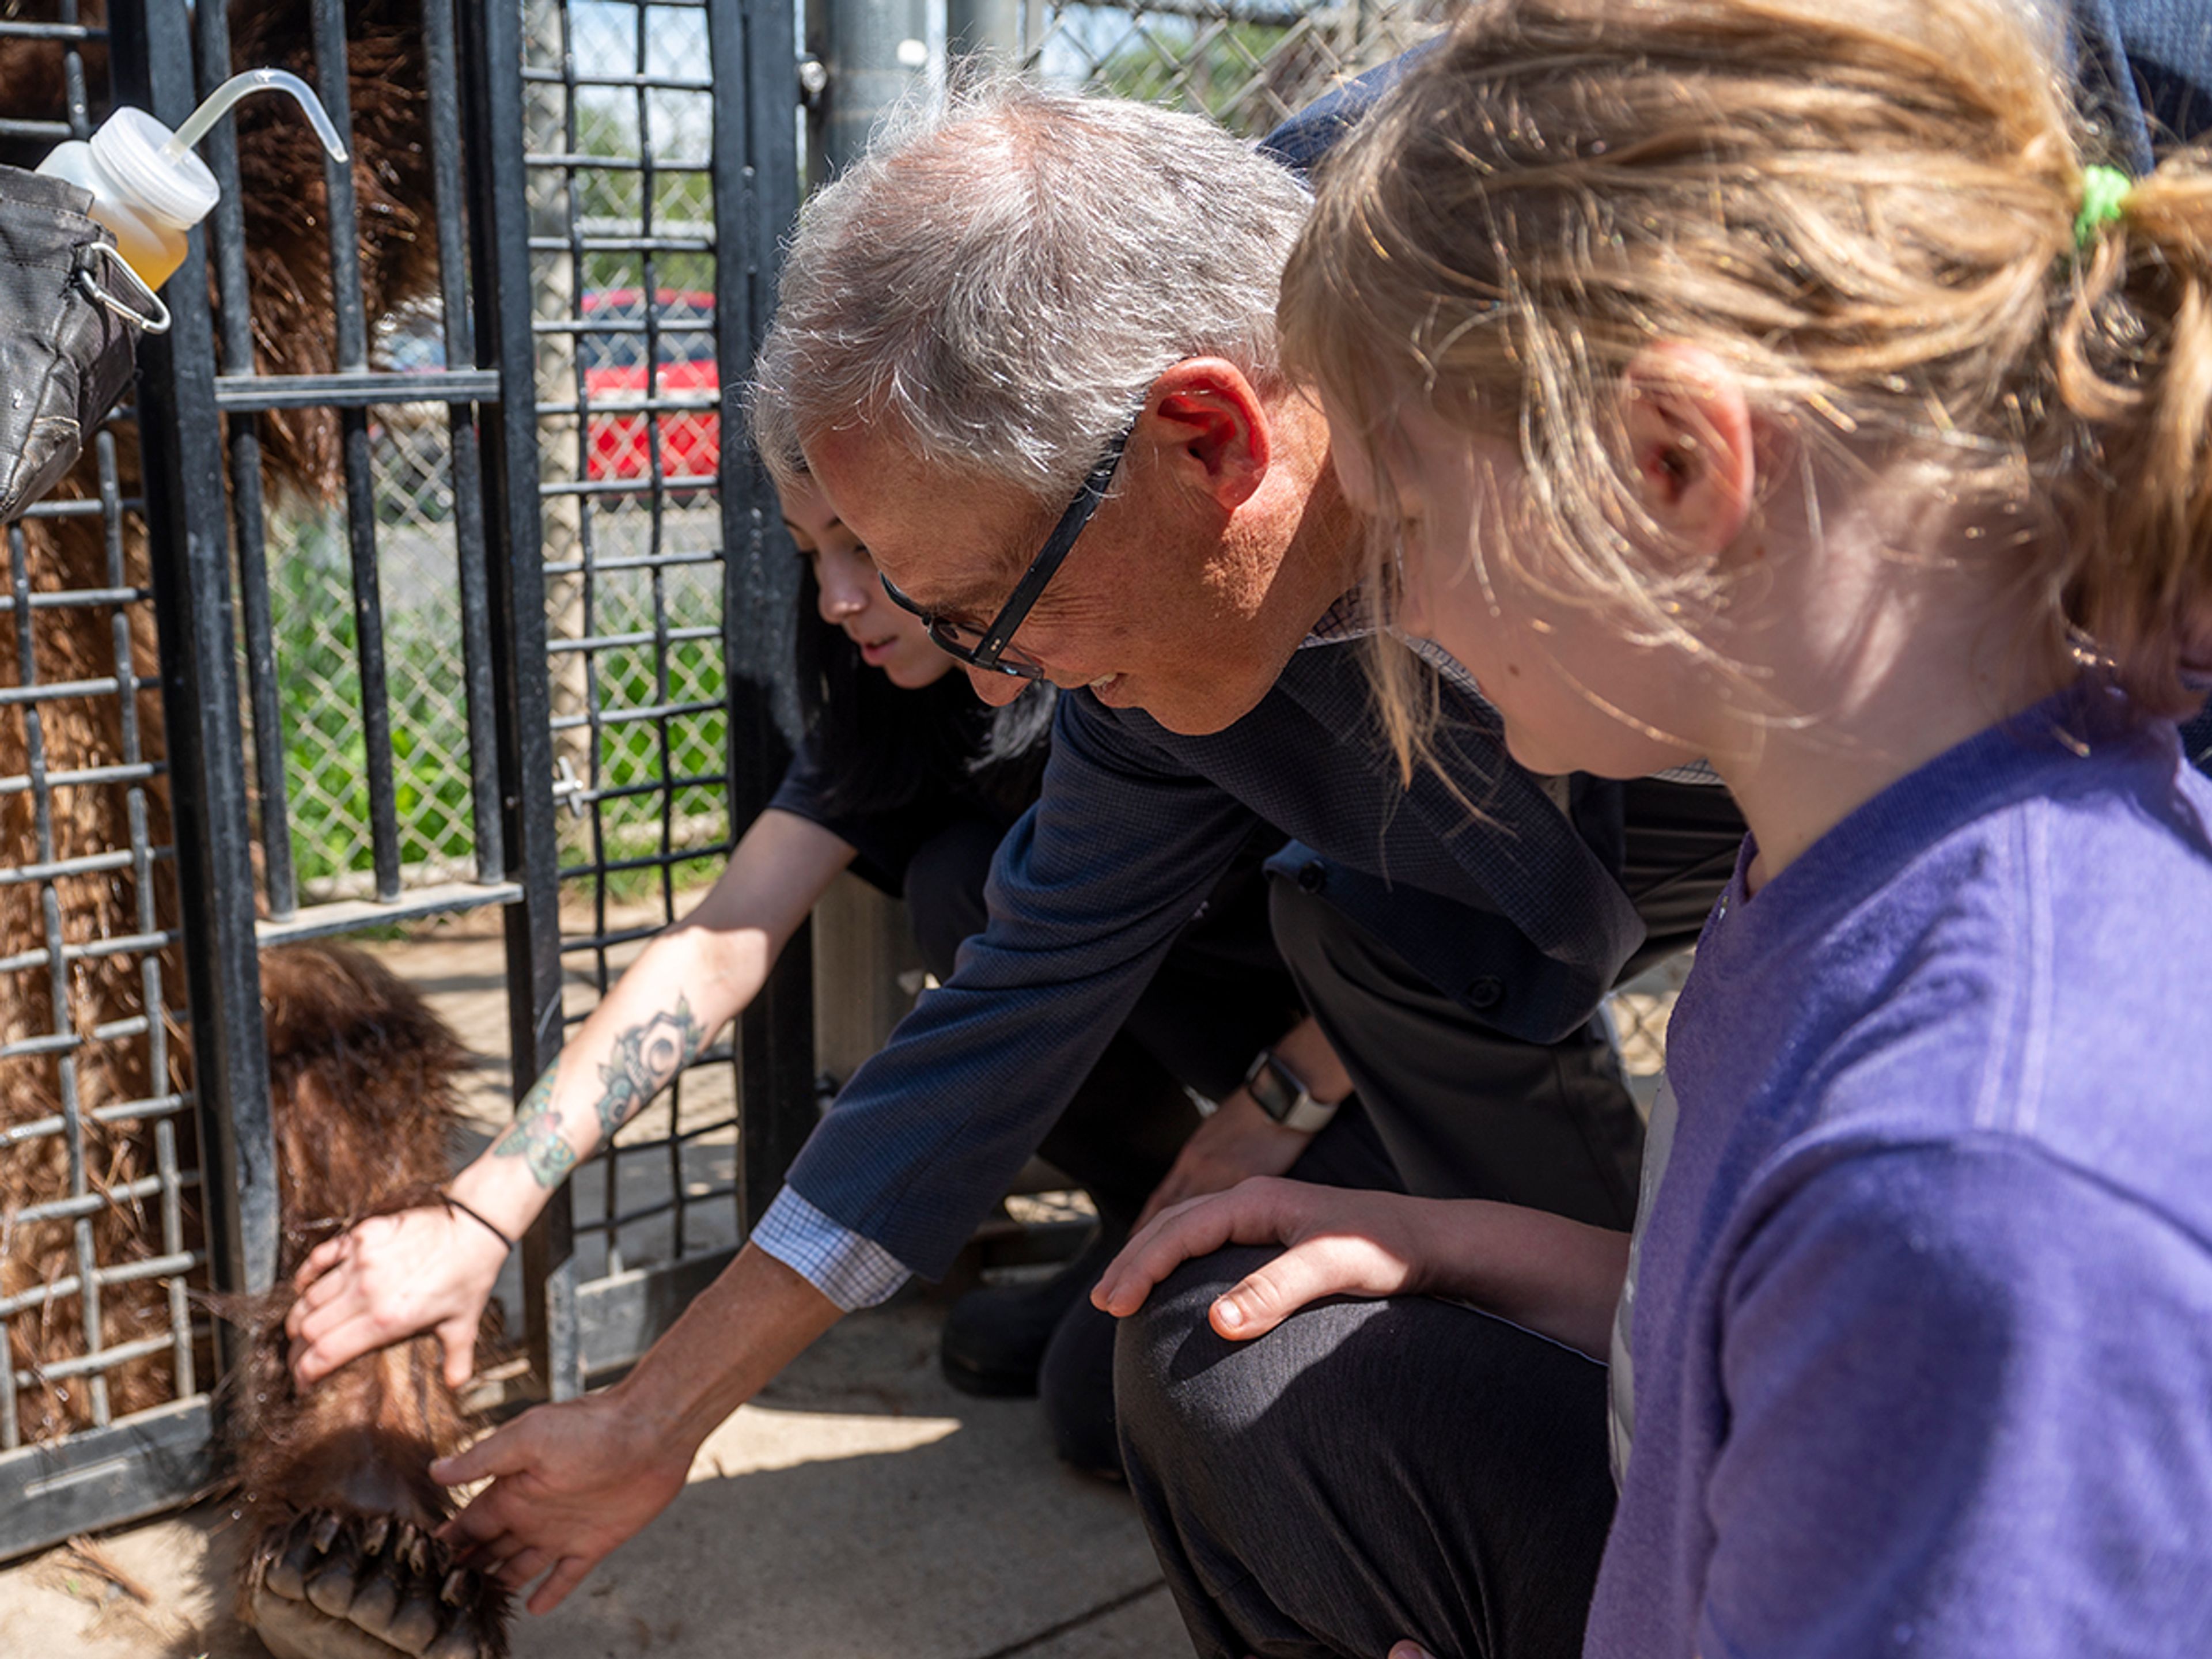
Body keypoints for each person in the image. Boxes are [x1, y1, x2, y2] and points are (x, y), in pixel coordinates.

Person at [325, 84, 1746, 1615]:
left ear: (1209, 440)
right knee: (1172, 1375)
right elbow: (996, 1018)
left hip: (1641, 907)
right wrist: (652, 1414)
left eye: (976, 608)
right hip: (1484, 945)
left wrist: (1287, 1098)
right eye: (857, 574)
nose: (967, 664)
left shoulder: (1594, 187)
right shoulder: (1132, 655)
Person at [1099, 2, 2212, 1654]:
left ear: (1671, 461)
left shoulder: (1968, 1172)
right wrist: (1484, 1248)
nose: (1396, 610)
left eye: (1408, 523)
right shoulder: (1875, 847)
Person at [283, 467, 1305, 1433]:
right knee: (961, 878)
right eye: (812, 552)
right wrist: (483, 1209)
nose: (835, 599)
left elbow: (1425, 927)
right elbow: (716, 948)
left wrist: (1282, 1100)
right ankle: (1140, 1207)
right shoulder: (899, 709)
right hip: (1210, 1066)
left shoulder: (1146, 665)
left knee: (1142, 1413)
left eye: (865, 547)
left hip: (1361, 1061)